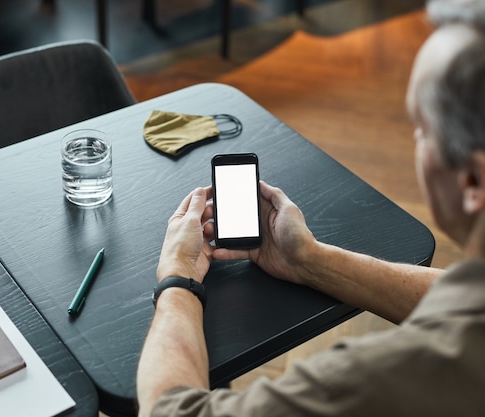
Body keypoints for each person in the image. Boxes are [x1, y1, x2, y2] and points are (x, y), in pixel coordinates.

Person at [137, 0, 485, 415]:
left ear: (473, 181)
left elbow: (168, 412)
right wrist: (309, 260)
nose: (416, 141)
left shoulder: (392, 375)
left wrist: (178, 279)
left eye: (422, 130)